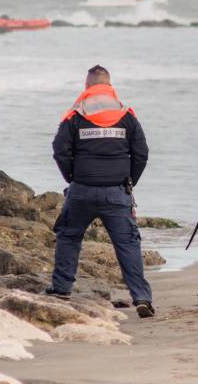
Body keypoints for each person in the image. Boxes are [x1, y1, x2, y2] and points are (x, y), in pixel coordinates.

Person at [49, 65, 154, 318]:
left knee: (69, 236)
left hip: (82, 190)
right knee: (128, 244)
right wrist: (130, 182)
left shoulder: (74, 115)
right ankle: (141, 297)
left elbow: (60, 150)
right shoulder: (127, 115)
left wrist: (72, 177)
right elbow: (141, 153)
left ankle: (62, 288)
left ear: (87, 87)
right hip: (117, 192)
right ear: (109, 86)